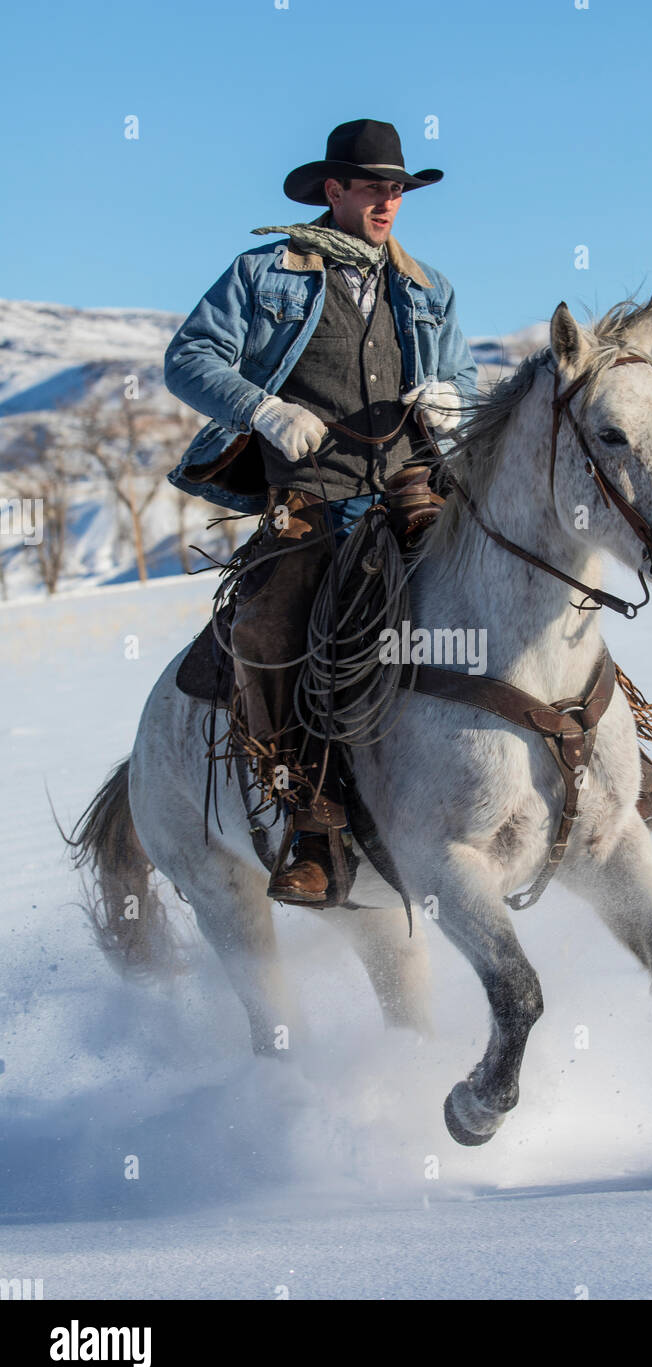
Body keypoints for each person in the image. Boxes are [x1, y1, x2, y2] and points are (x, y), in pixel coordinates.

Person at [164, 119, 478, 903]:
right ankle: (310, 822)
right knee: (267, 627)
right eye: (372, 187)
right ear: (332, 191)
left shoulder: (428, 287)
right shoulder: (263, 272)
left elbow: (465, 376)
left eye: (397, 189)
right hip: (308, 500)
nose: (387, 202)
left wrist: (452, 400)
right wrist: (262, 410)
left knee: (512, 573)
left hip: (412, 490)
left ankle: (610, 764)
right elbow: (187, 359)